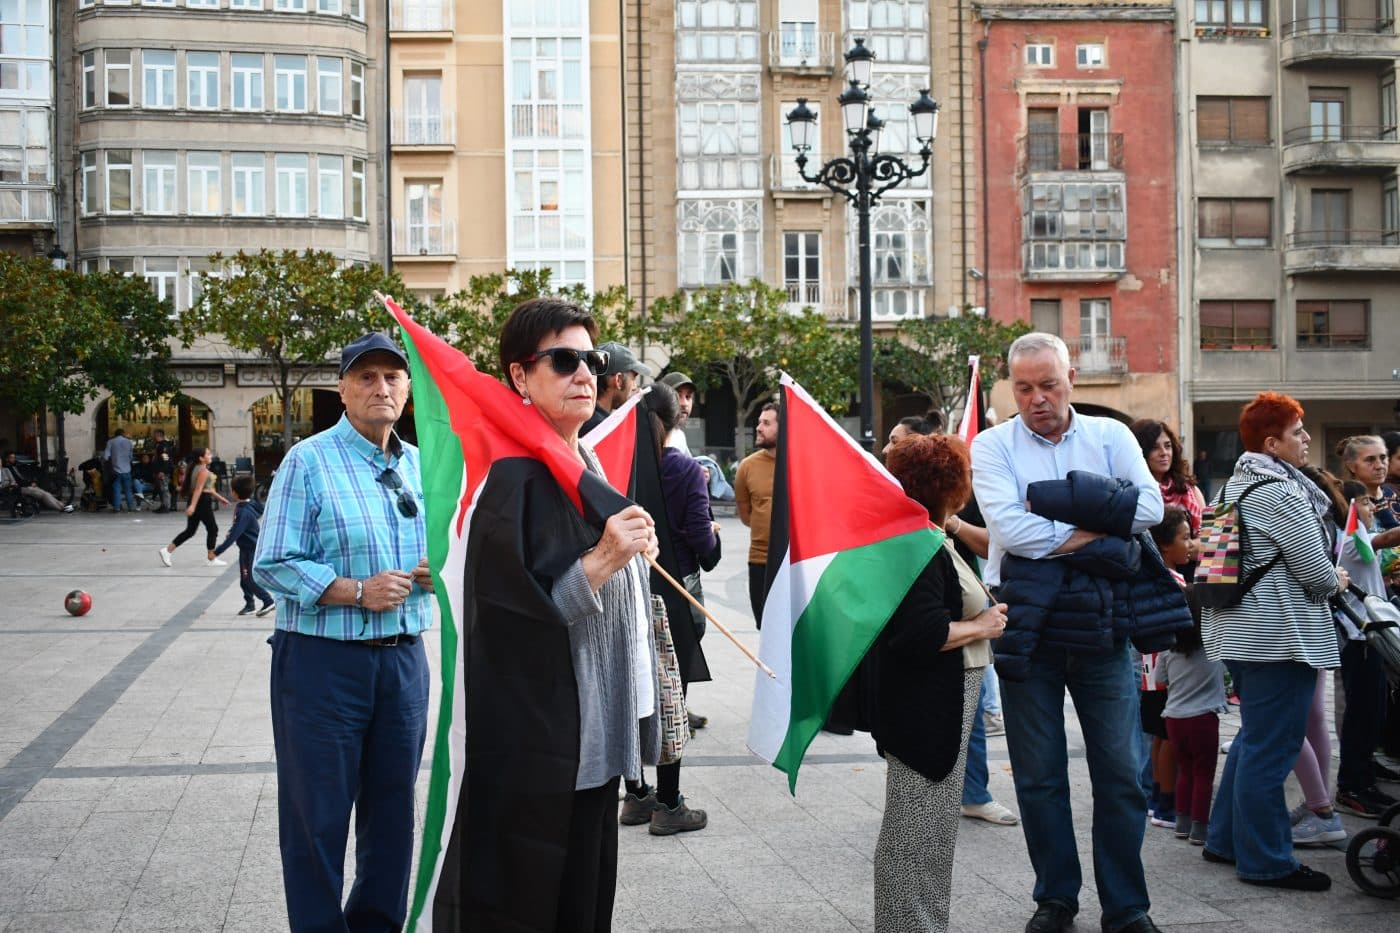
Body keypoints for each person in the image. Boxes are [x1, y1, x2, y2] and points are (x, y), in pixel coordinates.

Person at [430, 299, 661, 930]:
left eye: (592, 359)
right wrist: (610, 557)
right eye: (563, 360)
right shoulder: (516, 479)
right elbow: (514, 621)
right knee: (541, 905)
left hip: (596, 741)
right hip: (547, 750)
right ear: (519, 376)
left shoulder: (581, 464)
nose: (586, 373)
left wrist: (636, 559)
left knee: (586, 907)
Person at [971, 332, 1171, 933]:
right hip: (1027, 626)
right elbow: (1009, 529)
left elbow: (1151, 511)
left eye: (1048, 384)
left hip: (1104, 625)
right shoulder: (991, 445)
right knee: (1038, 776)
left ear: (1072, 378)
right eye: (1025, 387)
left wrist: (1051, 519)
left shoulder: (1110, 436)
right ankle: (1055, 897)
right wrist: (1098, 528)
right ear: (1012, 386)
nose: (1037, 398)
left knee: (1121, 771)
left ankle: (1127, 907)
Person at [253, 332, 435, 931]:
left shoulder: (420, 466)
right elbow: (273, 560)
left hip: (405, 664)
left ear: (407, 390)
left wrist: (441, 571)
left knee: (392, 816)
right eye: (366, 377)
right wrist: (355, 590)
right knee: (317, 818)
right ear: (342, 390)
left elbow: (446, 547)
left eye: (392, 377)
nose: (380, 387)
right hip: (322, 665)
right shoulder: (308, 461)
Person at [1201, 391, 1347, 892]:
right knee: (1272, 747)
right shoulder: (1280, 493)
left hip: (1239, 634)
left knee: (1252, 740)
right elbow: (1318, 574)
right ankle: (1266, 860)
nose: (1306, 439)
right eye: (1297, 432)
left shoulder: (1230, 490)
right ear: (1272, 443)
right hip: (1281, 638)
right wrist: (1340, 580)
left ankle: (1224, 839)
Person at [874, 431, 1007, 931]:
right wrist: (983, 625)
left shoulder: (927, 533)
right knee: (916, 837)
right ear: (949, 487)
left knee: (926, 835)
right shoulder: (918, 544)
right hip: (927, 709)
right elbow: (918, 632)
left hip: (934, 702)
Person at [620, 381, 718, 835]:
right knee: (670, 695)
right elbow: (706, 547)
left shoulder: (617, 463)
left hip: (625, 591)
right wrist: (712, 535)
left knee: (634, 686)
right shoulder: (681, 469)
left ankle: (636, 796)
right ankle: (669, 803)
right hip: (674, 594)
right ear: (676, 418)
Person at [1332, 478, 1400, 818]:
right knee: (1361, 717)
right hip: (1358, 638)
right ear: (1349, 509)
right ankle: (1351, 786)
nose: (1372, 507)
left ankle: (1365, 779)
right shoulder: (1349, 541)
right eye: (1364, 502)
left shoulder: (1358, 540)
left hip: (1371, 637)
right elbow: (1388, 537)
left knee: (1373, 715)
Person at [1153, 538, 1225, 847]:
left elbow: (1160, 680)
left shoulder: (1170, 650)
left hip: (1174, 720)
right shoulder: (1214, 649)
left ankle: (1181, 823)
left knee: (1184, 773)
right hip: (1204, 720)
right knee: (1204, 774)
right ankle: (1200, 828)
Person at [735, 403, 779, 628]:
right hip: (759, 562)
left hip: (792, 563)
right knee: (766, 628)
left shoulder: (799, 464)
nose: (759, 427)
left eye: (767, 423)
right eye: (759, 422)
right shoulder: (747, 467)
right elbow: (745, 515)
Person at [213, 474, 275, 617]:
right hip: (246, 548)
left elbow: (235, 533)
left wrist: (216, 552)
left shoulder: (244, 511)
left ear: (234, 493)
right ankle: (250, 604)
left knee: (250, 579)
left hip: (251, 549)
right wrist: (233, 530)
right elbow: (239, 527)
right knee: (244, 578)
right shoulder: (247, 505)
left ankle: (267, 600)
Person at [1131, 420, 1205, 537]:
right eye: (1155, 447)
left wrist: (1189, 548)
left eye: (1167, 446)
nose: (1164, 453)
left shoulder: (1189, 489)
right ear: (1141, 451)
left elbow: (1207, 538)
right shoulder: (1132, 493)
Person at [158, 447, 230, 567]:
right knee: (213, 529)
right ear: (201, 458)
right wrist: (192, 506)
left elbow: (206, 489)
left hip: (197, 500)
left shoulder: (194, 468)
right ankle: (211, 558)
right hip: (201, 502)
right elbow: (198, 489)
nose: (210, 455)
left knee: (190, 531)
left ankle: (167, 550)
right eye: (208, 454)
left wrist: (220, 498)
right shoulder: (203, 471)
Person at [580, 340, 650, 435]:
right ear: (618, 380)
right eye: (633, 379)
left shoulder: (580, 419)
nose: (634, 387)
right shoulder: (602, 430)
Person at [1337, 434, 1399, 530]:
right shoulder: (1346, 500)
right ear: (1351, 466)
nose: (1379, 466)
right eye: (1370, 460)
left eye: (1383, 458)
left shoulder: (1391, 492)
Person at [1, 450, 73, 512]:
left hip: (25, 486)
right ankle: (61, 508)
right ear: (7, 459)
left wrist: (30, 483)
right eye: (12, 458)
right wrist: (29, 483)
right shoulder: (7, 468)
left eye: (14, 457)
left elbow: (21, 479)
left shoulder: (13, 466)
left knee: (46, 493)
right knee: (43, 495)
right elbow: (17, 481)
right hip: (20, 488)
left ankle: (63, 506)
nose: (14, 459)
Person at [661, 371, 697, 454]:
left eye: (688, 397)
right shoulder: (652, 433)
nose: (685, 404)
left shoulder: (679, 435)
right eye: (677, 396)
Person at [103, 427, 136, 512]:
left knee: (116, 489)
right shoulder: (129, 442)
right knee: (128, 490)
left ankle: (117, 508)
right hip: (127, 470)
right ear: (123, 433)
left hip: (115, 470)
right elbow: (131, 457)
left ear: (115, 434)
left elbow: (106, 457)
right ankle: (131, 507)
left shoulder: (110, 442)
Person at [150, 428, 177, 511]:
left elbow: (165, 458)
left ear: (158, 435)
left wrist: (162, 471)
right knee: (161, 488)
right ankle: (163, 505)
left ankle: (166, 506)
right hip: (159, 470)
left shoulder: (163, 445)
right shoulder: (160, 444)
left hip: (163, 471)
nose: (153, 436)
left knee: (164, 488)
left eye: (154, 434)